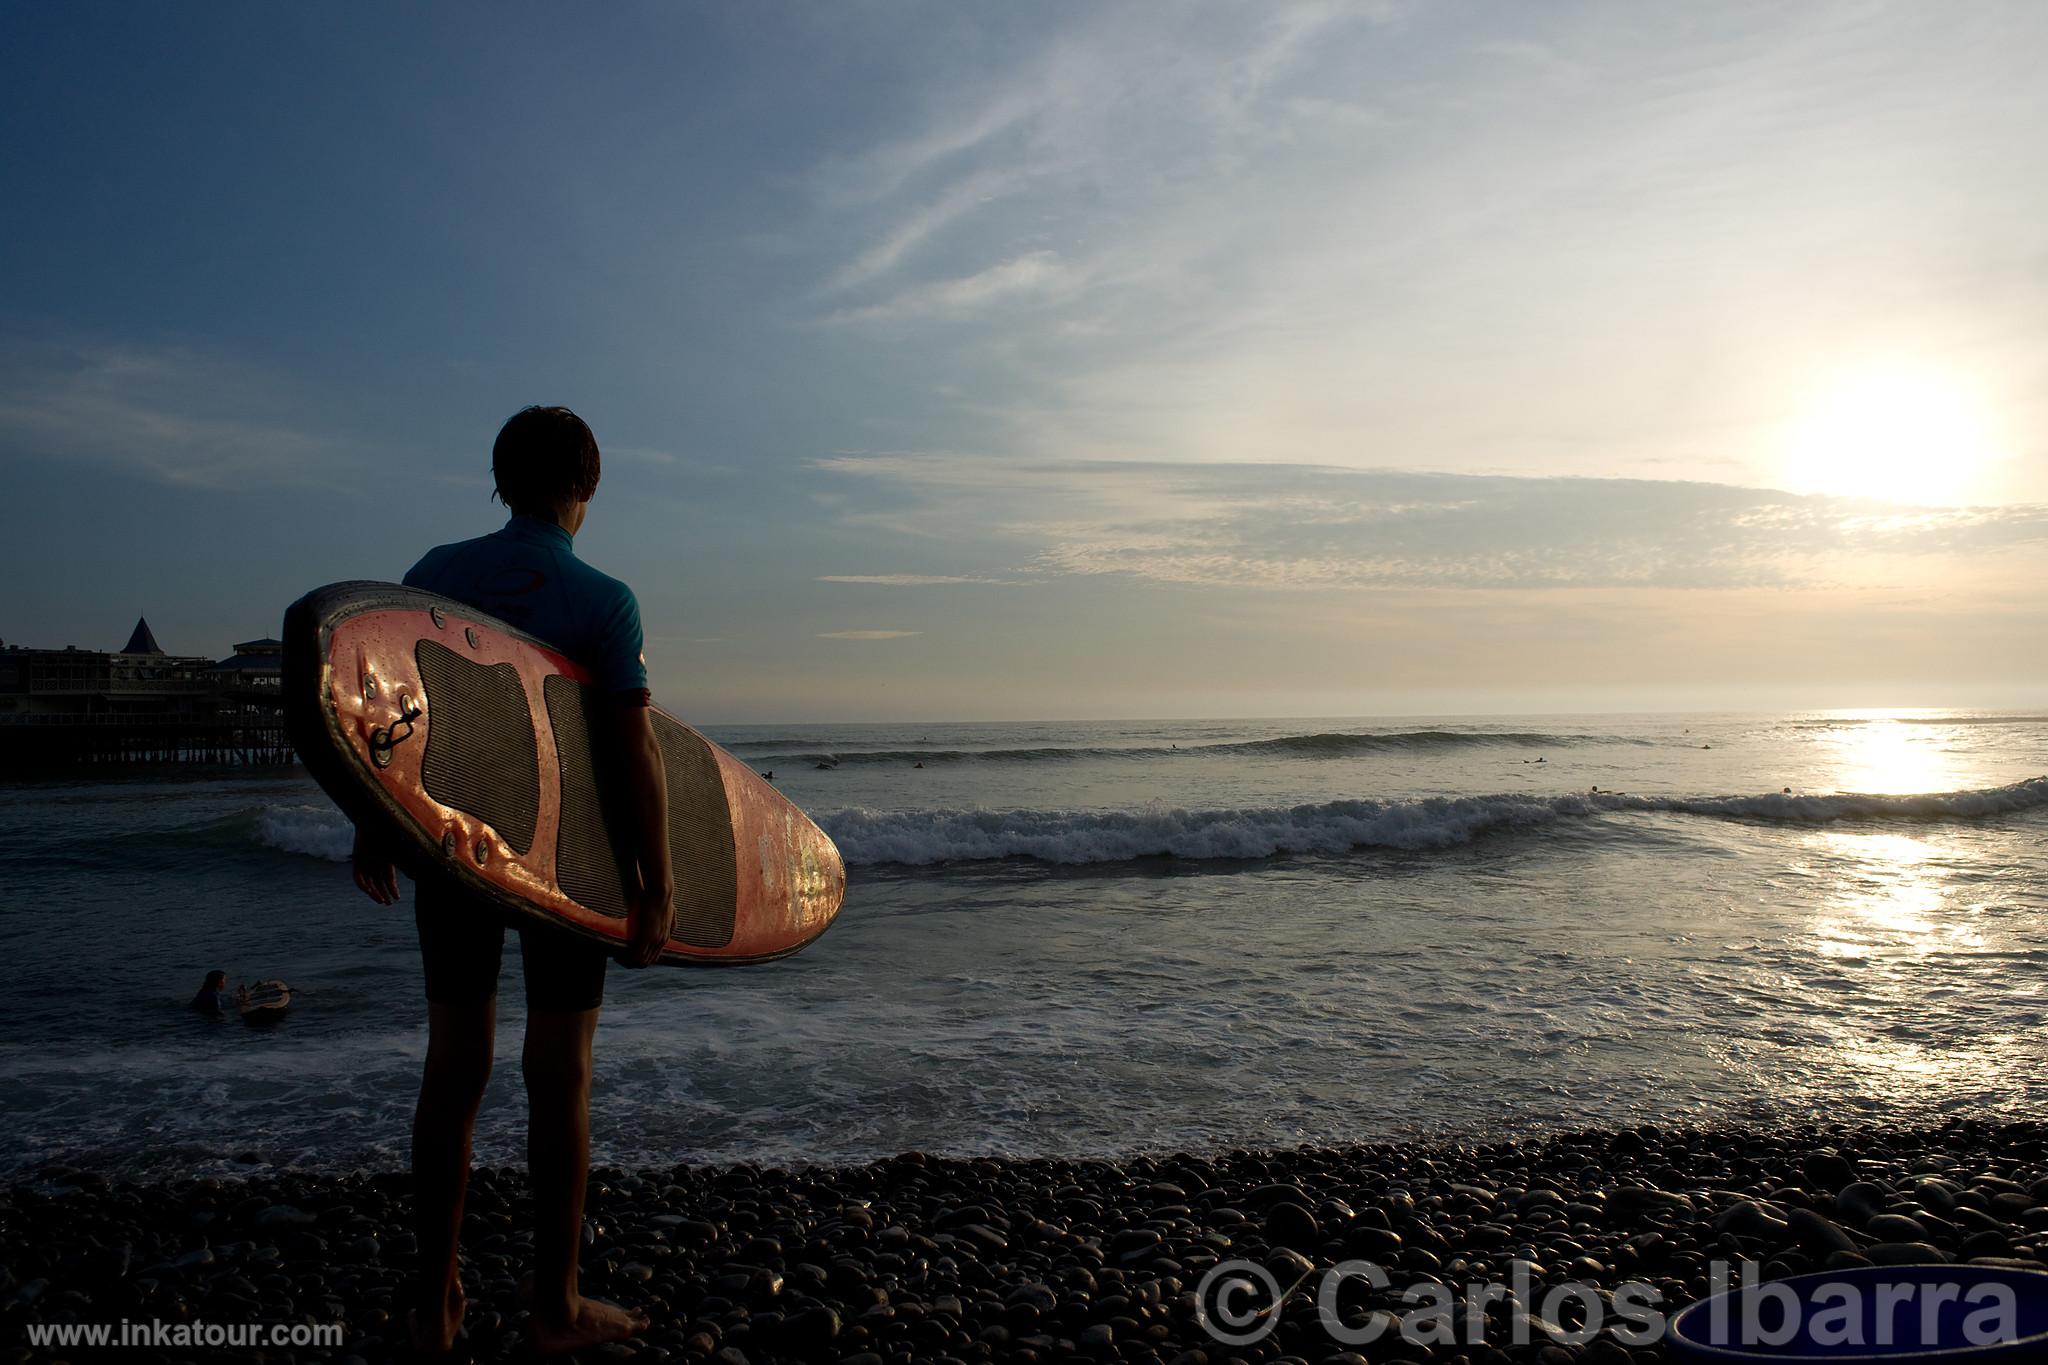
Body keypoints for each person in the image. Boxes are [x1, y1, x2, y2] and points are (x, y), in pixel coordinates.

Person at [348, 406, 674, 1357]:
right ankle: (553, 1307)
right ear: (591, 485)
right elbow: (633, 749)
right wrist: (654, 884)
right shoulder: (603, 599)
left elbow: (386, 708)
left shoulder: (432, 575)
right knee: (558, 1073)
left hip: (455, 850)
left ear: (498, 481)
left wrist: (378, 821)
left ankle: (436, 1304)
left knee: (454, 1066)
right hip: (566, 863)